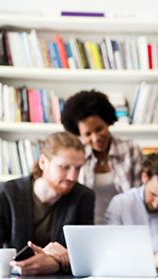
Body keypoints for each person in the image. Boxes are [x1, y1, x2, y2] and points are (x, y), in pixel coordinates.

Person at [0, 132, 94, 276]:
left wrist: (56, 264)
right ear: (43, 162)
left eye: (78, 168)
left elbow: (87, 257)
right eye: (65, 167)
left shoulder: (83, 197)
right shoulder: (4, 195)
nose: (73, 177)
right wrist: (17, 267)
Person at [61, 90, 144, 224]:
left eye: (99, 129)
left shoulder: (130, 149)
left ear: (108, 122)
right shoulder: (77, 156)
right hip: (89, 226)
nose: (96, 138)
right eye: (87, 134)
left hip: (126, 225)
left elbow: (140, 195)